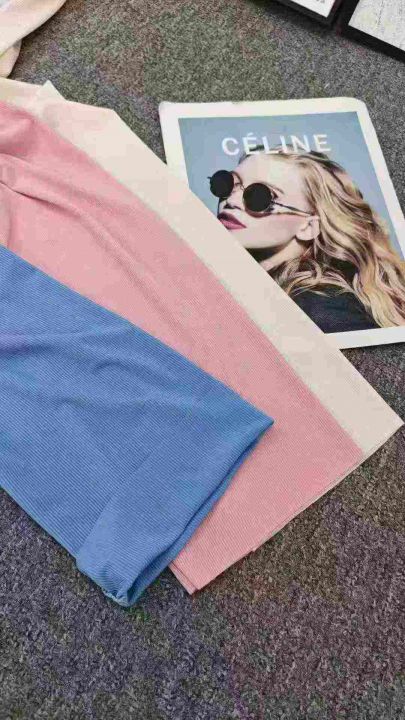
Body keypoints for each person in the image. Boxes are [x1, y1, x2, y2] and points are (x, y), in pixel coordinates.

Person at [209, 148, 405, 333]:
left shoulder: (321, 309)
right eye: (228, 184)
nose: (231, 201)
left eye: (260, 196)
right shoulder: (264, 291)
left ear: (308, 227)